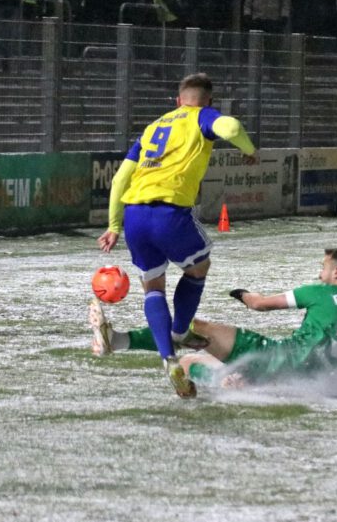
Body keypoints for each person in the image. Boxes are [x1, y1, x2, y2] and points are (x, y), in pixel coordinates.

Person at [96, 73, 257, 398]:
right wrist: (248, 149)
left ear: (177, 100)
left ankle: (168, 359)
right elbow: (231, 128)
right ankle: (181, 331)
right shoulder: (203, 116)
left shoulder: (154, 127)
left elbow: (120, 180)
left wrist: (113, 226)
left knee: (153, 286)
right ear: (209, 101)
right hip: (169, 213)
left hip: (134, 215)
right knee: (199, 267)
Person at [90, 248, 337, 390]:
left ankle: (117, 340)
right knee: (187, 363)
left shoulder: (322, 292)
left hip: (278, 358)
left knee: (195, 328)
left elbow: (260, 305)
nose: (319, 273)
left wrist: (242, 294)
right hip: (302, 380)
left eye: (323, 268)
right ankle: (233, 381)